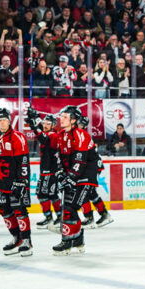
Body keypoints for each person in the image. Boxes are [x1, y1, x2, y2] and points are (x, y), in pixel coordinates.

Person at [0, 108, 32, 256]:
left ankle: (26, 241)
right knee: (4, 210)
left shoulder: (18, 137)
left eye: (4, 119)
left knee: (19, 210)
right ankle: (16, 238)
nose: (2, 122)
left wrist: (22, 181)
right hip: (2, 181)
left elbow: (23, 161)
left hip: (17, 180)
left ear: (9, 121)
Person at [53, 105, 97, 254]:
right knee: (67, 208)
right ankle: (77, 238)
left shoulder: (81, 134)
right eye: (62, 116)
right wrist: (60, 173)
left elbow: (80, 160)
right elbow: (60, 158)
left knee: (71, 208)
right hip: (74, 175)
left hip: (85, 177)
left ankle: (67, 241)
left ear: (73, 120)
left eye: (65, 117)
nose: (61, 119)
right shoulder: (61, 135)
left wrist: (71, 177)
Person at [25, 108, 61, 231]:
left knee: (43, 194)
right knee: (52, 194)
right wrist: (35, 116)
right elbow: (41, 128)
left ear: (53, 125)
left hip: (50, 171)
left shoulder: (54, 135)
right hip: (47, 170)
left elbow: (43, 138)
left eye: (48, 124)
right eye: (44, 123)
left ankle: (51, 217)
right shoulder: (48, 131)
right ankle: (58, 216)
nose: (45, 125)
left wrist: (34, 126)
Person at [76, 113, 113, 229]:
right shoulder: (79, 134)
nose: (79, 125)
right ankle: (104, 214)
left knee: (83, 191)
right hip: (90, 166)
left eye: (81, 124)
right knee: (91, 192)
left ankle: (89, 218)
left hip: (90, 167)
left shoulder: (82, 135)